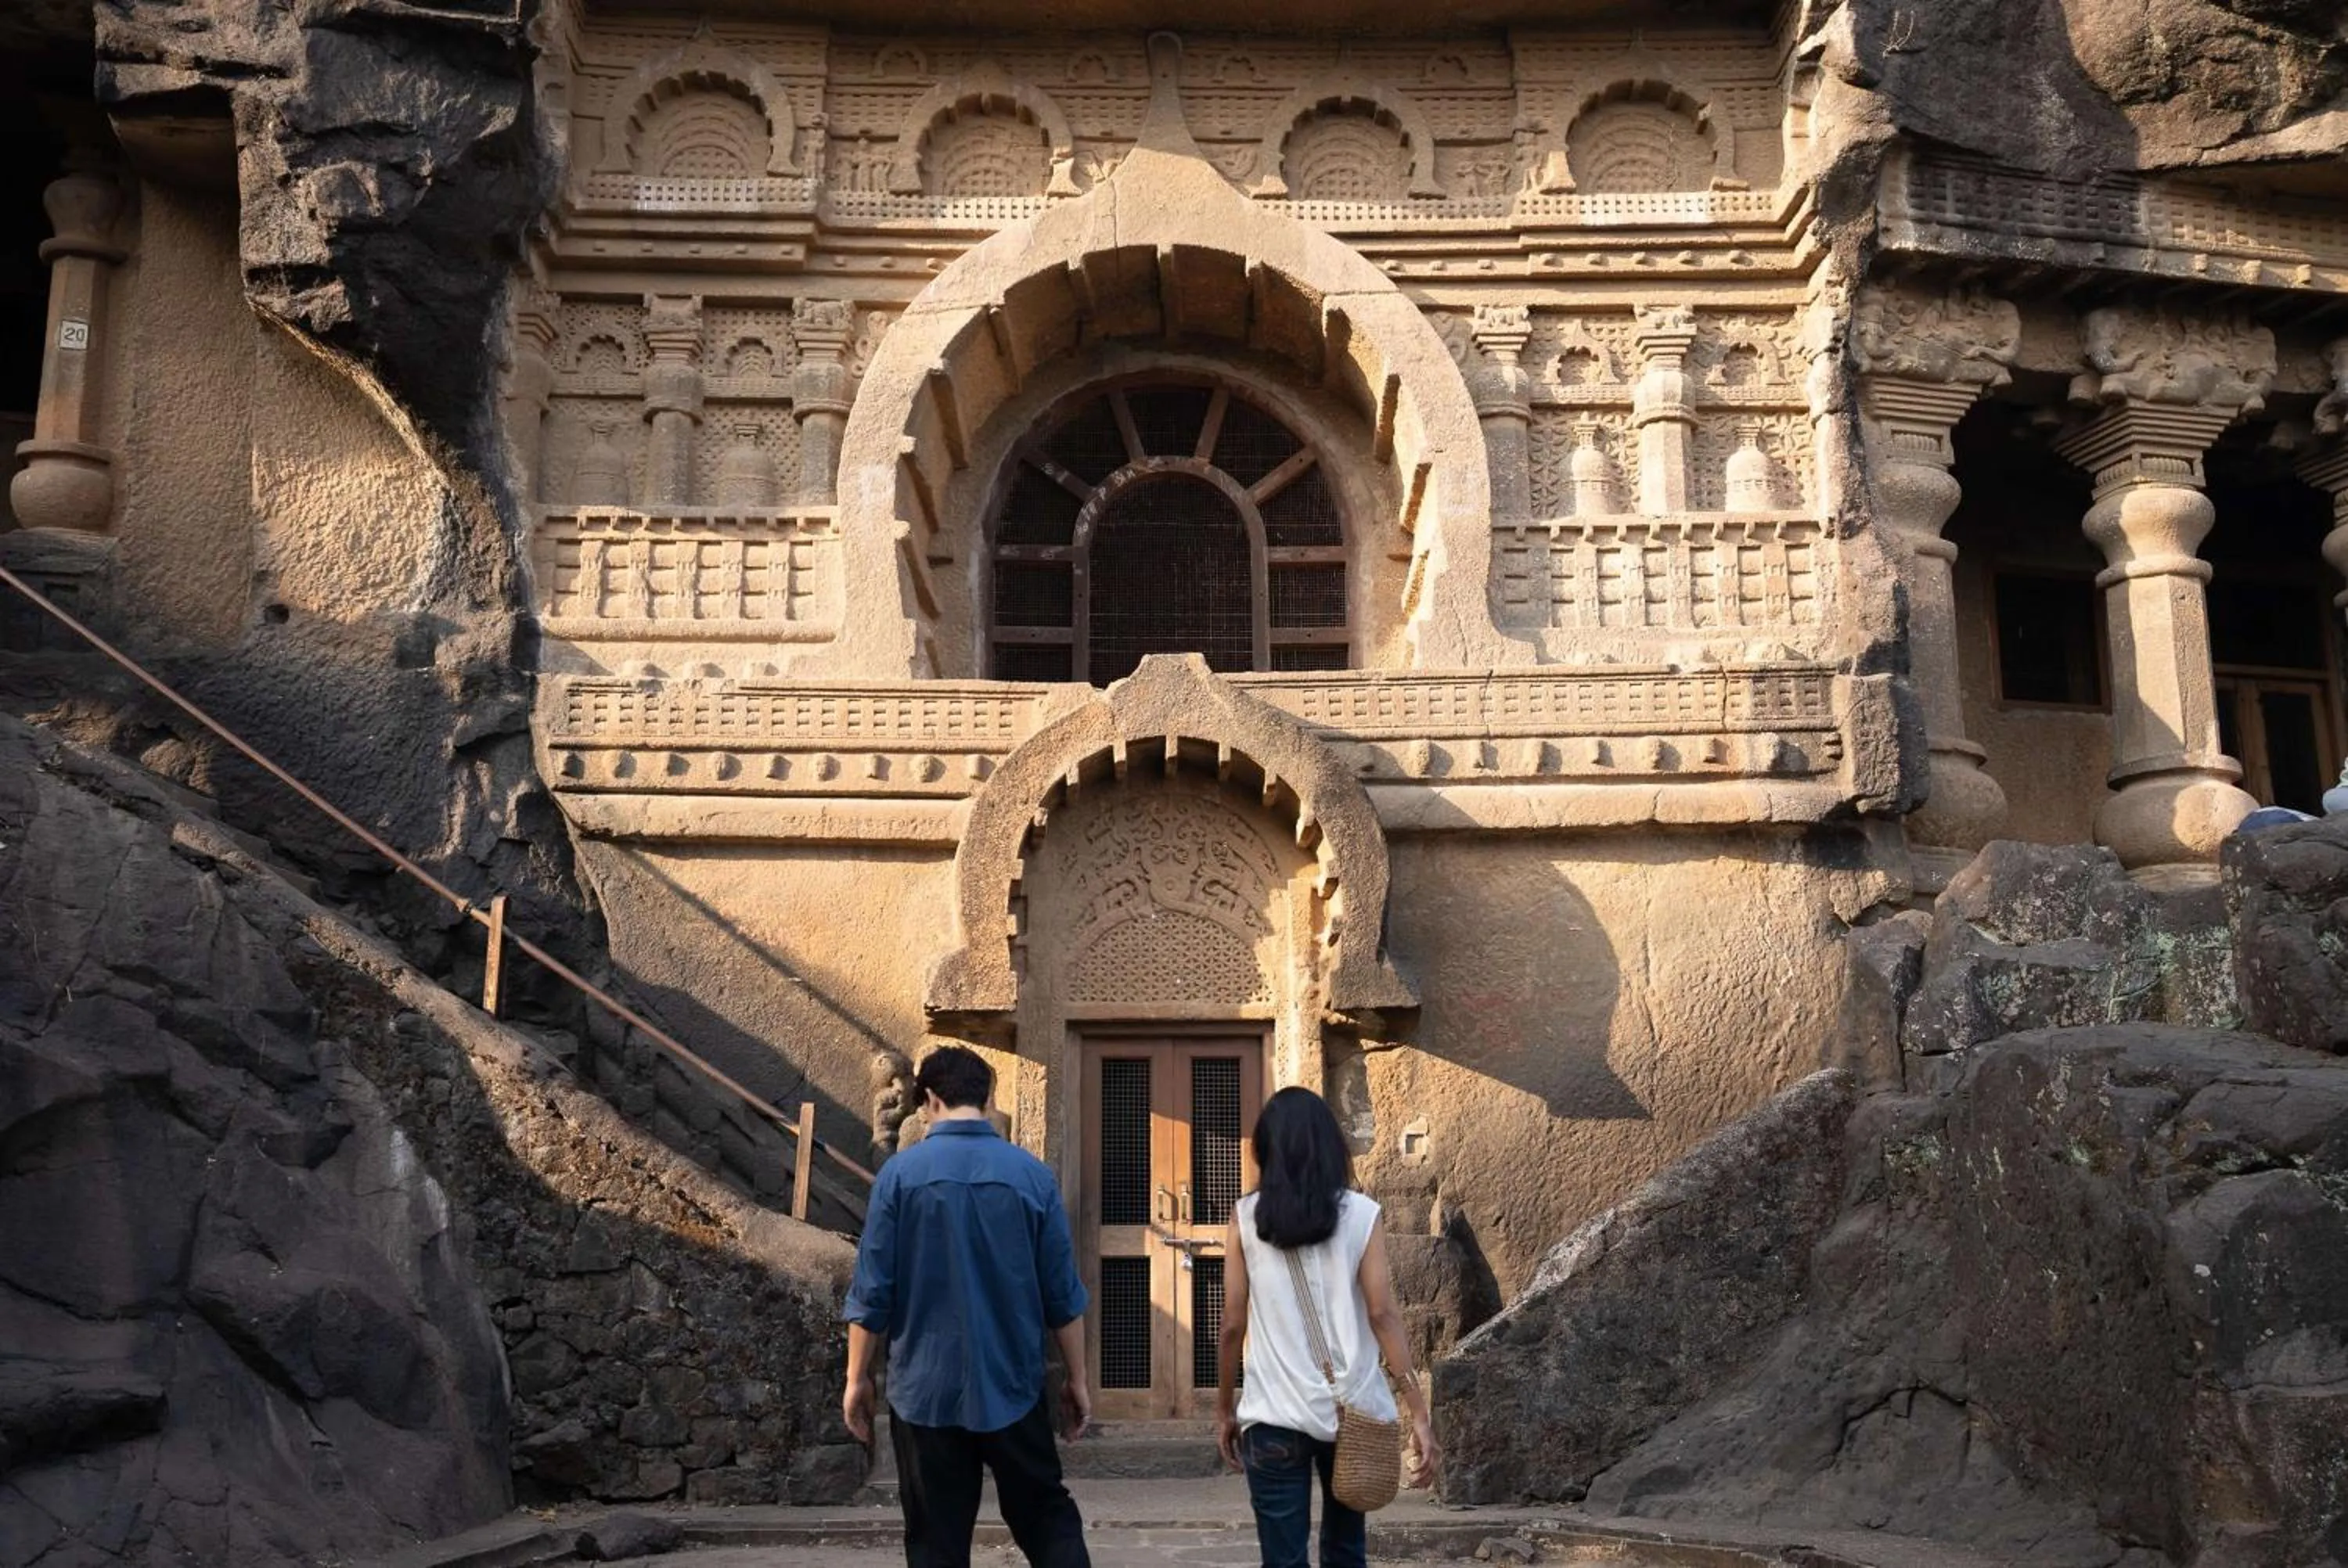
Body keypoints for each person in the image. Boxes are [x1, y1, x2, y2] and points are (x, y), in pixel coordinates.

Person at [842, 1046, 1093, 1568]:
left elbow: (872, 1294)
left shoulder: (899, 1177)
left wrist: (857, 1379)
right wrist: (1078, 1380)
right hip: (1013, 1383)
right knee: (1047, 1519)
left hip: (924, 1390)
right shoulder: (1032, 1176)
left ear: (929, 1100)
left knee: (935, 1539)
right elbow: (1062, 1294)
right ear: (987, 1098)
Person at [1215, 1088, 1439, 1568]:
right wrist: (1418, 1411)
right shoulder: (1362, 1214)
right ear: (1330, 1145)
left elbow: (1232, 1324)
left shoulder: (1245, 1218)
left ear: (1266, 1150)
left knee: (1283, 1560)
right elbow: (1382, 1314)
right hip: (1351, 1413)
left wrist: (1224, 1409)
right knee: (1346, 1552)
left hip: (1273, 1414)